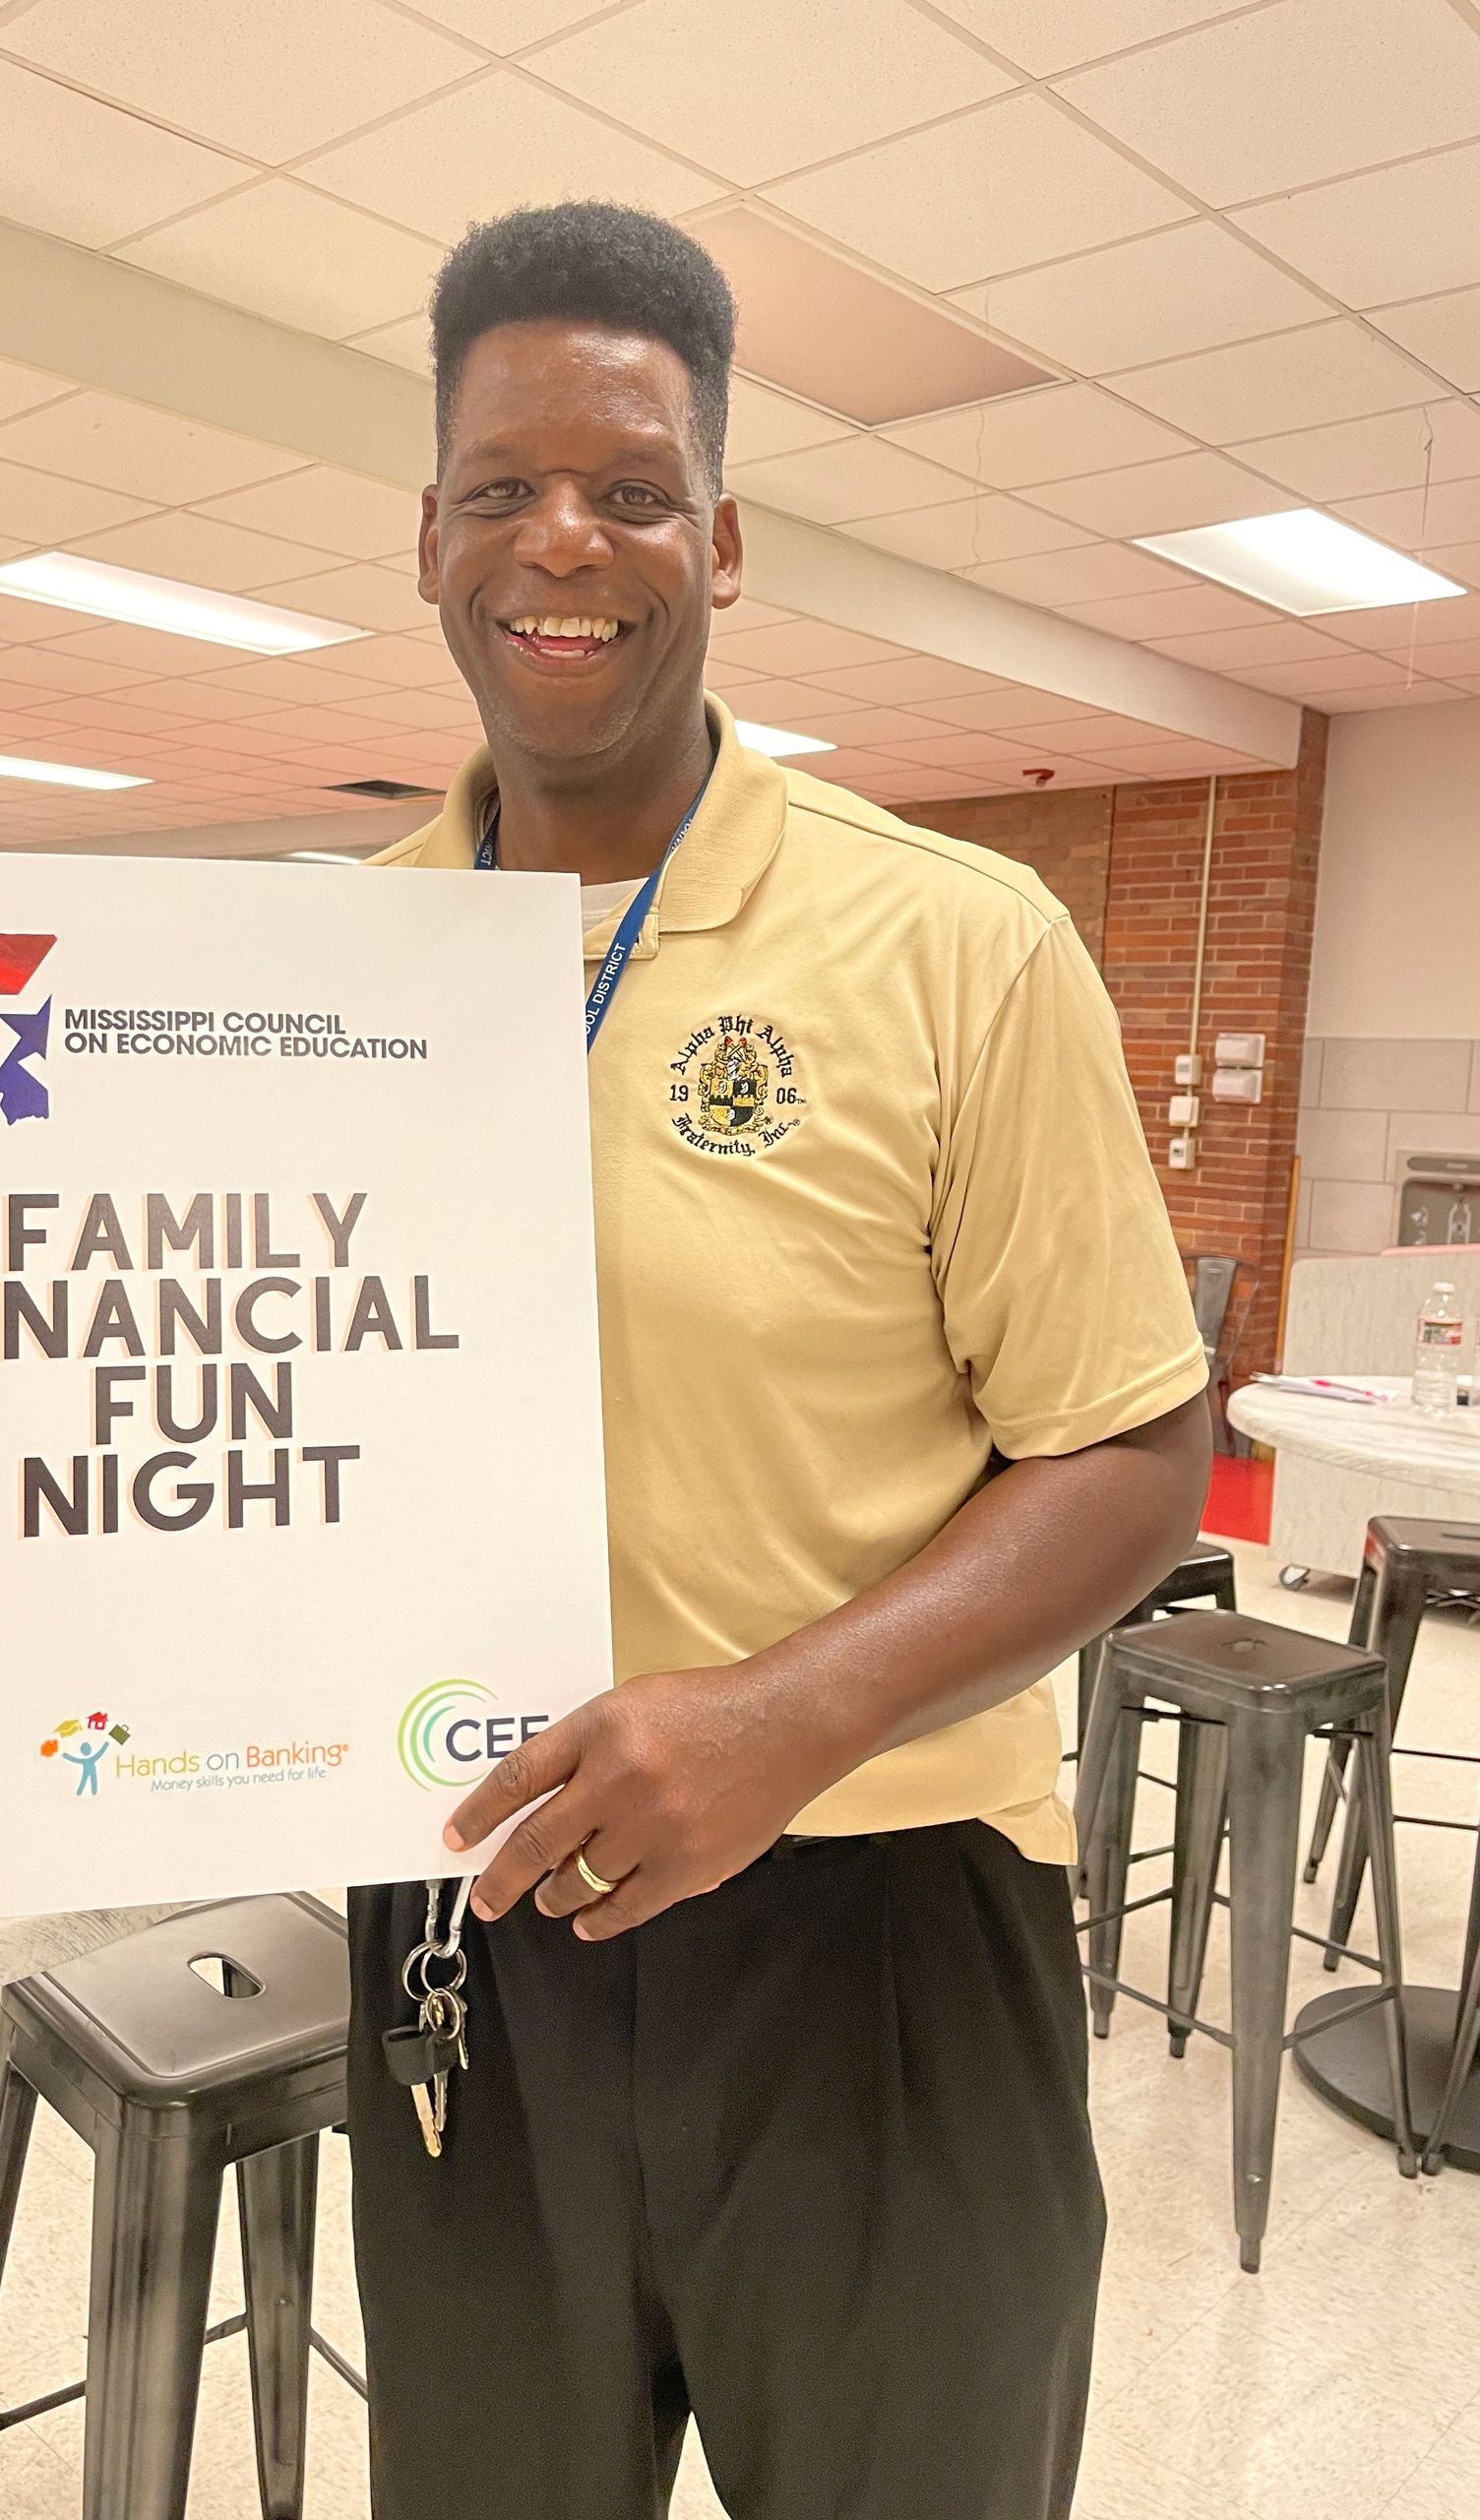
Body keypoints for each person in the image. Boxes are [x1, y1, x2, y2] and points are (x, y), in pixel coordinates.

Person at [350, 201, 1212, 2520]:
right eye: (505, 483)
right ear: (427, 531)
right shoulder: (320, 968)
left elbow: (1141, 1451)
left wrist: (782, 1717)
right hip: (468, 1923)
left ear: (719, 539)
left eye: (631, 488)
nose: (566, 539)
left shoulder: (958, 941)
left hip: (881, 1931)